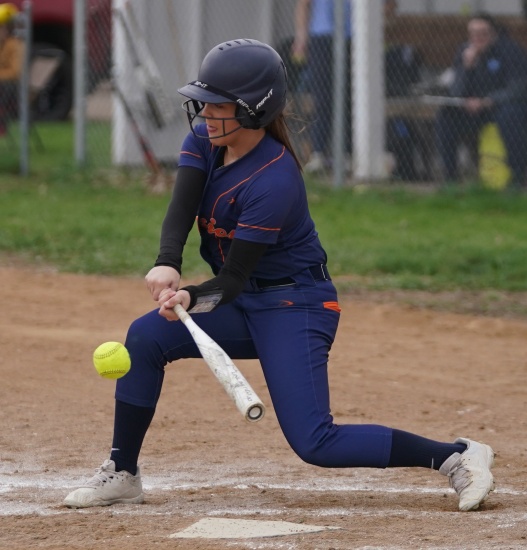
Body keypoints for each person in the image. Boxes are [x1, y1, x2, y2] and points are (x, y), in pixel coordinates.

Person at [63, 38, 495, 513]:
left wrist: (190, 296)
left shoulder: (274, 179)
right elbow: (182, 208)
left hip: (296, 306)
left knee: (316, 442)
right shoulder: (205, 141)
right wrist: (168, 260)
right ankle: (123, 473)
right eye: (204, 102)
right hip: (244, 302)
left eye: (218, 105)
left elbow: (232, 278)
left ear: (253, 109)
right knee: (145, 338)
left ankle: (455, 456)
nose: (205, 113)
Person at [435, 13, 527, 188]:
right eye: (473, 33)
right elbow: (456, 91)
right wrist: (467, 67)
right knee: (445, 116)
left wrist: (488, 100)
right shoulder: (464, 51)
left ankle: (517, 175)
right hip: (474, 109)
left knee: (511, 116)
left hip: (502, 106)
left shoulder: (510, 50)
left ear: (493, 33)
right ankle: (450, 177)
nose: (478, 38)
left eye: (483, 33)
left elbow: (518, 88)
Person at [292, 0, 353, 173]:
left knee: (349, 99)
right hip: (322, 37)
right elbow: (303, 5)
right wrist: (301, 37)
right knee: (323, 98)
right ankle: (318, 154)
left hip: (352, 37)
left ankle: (347, 154)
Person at [0, 2, 23, 137]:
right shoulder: (2, 45)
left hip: (13, 89)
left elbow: (15, 72)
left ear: (8, 29)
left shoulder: (14, 45)